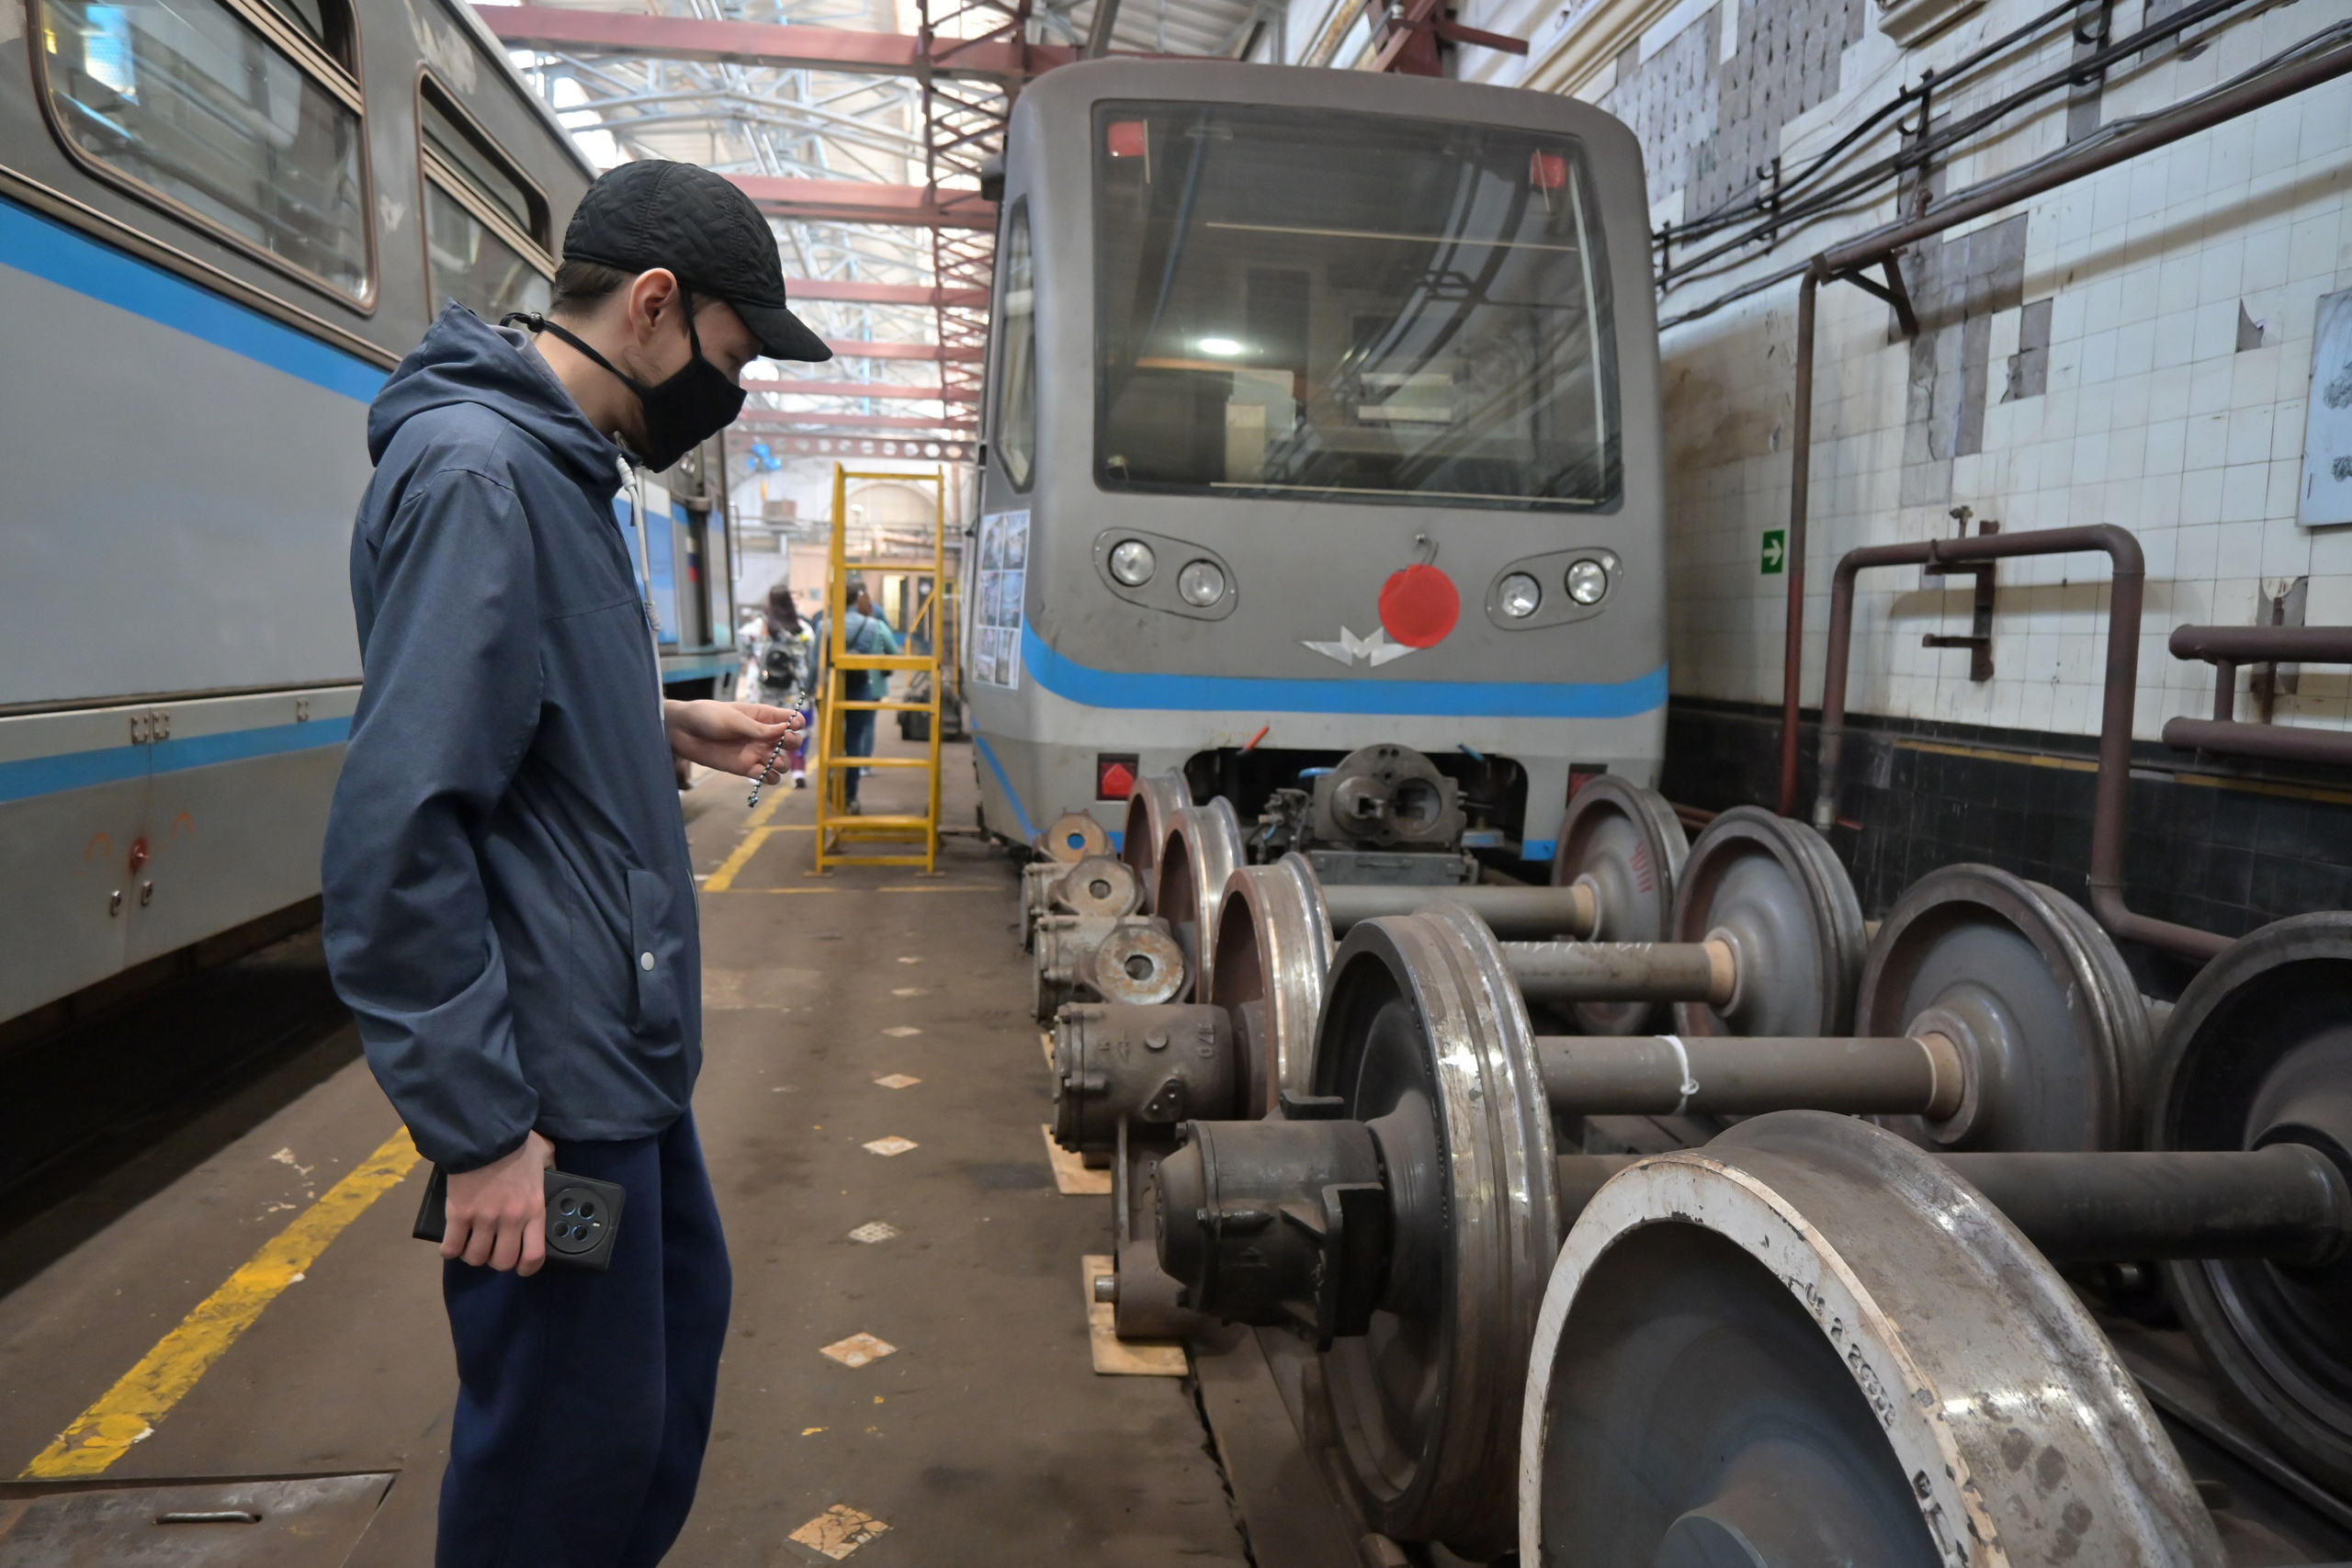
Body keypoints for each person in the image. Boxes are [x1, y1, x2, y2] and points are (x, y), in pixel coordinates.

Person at [321, 160, 831, 1568]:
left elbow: (508, 702)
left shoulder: (554, 472)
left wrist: (664, 719)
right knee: (560, 1455)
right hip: (548, 1077)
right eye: (729, 358)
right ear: (655, 306)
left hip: (620, 1048)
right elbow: (402, 828)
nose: (729, 397)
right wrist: (481, 1130)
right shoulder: (483, 475)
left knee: (642, 1404)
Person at [822, 575, 899, 811]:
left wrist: (810, 694)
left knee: (830, 742)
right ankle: (850, 795)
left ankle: (830, 785)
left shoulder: (825, 625)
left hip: (831, 689)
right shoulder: (873, 624)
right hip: (861, 685)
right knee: (854, 740)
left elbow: (814, 661)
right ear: (858, 599)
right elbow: (893, 650)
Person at [747, 582, 814, 788]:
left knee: (763, 731)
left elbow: (746, 650)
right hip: (794, 690)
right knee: (796, 731)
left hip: (764, 690)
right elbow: (811, 659)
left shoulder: (758, 628)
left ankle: (760, 771)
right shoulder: (802, 629)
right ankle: (799, 772)